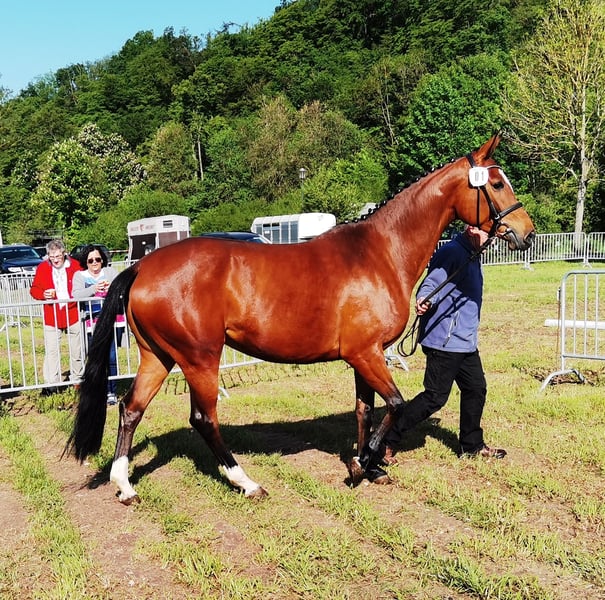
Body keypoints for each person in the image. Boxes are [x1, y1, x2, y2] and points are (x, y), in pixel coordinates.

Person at [381, 225, 507, 469]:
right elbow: (431, 283)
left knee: (475, 389)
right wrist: (424, 300)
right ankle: (386, 439)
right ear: (471, 229)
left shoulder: (472, 253)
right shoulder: (453, 252)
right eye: (487, 234)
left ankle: (472, 445)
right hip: (445, 341)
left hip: (465, 341)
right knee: (434, 397)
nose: (491, 240)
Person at [71, 244, 124, 405]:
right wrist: (94, 288)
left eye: (98, 259)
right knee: (95, 358)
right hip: (91, 323)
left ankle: (111, 391)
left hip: (111, 321)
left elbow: (121, 288)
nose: (94, 263)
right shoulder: (80, 276)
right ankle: (96, 391)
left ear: (102, 260)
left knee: (111, 356)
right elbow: (76, 295)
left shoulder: (110, 272)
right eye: (91, 260)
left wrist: (111, 289)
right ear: (85, 262)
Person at [30, 239, 84, 394]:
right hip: (52, 316)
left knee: (77, 350)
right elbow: (34, 289)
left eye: (58, 256)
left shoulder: (75, 266)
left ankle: (77, 380)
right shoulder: (42, 268)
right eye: (52, 257)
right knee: (52, 351)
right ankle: (51, 384)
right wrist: (43, 294)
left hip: (73, 313)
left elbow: (83, 285)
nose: (55, 260)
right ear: (48, 255)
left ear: (64, 253)